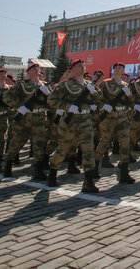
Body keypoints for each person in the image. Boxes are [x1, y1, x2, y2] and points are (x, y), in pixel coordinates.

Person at [46, 59, 100, 193]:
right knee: (63, 147)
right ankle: (52, 174)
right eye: (78, 66)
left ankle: (88, 181)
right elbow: (52, 100)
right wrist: (68, 107)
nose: (82, 68)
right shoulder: (65, 85)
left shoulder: (89, 85)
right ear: (72, 69)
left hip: (86, 120)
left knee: (88, 149)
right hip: (70, 120)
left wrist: (95, 93)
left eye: (83, 66)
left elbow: (101, 99)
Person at [2, 62, 51, 180]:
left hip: (39, 117)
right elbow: (6, 97)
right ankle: (8, 164)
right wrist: (18, 106)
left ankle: (38, 170)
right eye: (33, 69)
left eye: (38, 69)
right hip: (24, 118)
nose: (36, 70)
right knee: (17, 141)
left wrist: (49, 94)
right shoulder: (21, 85)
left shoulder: (44, 86)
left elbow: (53, 102)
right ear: (28, 72)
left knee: (39, 144)